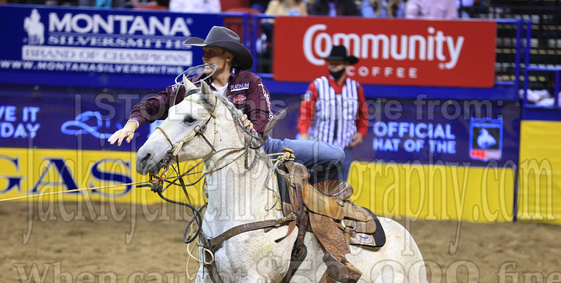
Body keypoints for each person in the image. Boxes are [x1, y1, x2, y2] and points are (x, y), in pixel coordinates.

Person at [108, 26, 344, 181]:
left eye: (211, 52)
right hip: (221, 160)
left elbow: (262, 116)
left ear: (228, 57)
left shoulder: (249, 81)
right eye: (204, 53)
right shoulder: (193, 86)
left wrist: (251, 127)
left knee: (334, 154)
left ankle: (319, 205)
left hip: (261, 148)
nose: (205, 58)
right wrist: (132, 124)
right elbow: (156, 102)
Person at [297, 45, 369, 182]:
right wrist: (304, 132)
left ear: (346, 64)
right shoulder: (317, 85)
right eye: (331, 63)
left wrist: (361, 132)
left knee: (339, 190)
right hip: (320, 147)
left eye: (337, 63)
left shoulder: (356, 87)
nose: (334, 66)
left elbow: (363, 113)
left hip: (345, 148)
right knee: (316, 187)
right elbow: (306, 112)